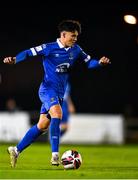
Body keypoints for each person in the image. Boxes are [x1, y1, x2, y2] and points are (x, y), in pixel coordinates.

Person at [3, 19, 111, 168]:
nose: (75, 39)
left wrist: (99, 63)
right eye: (73, 36)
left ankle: (16, 150)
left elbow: (89, 62)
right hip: (47, 89)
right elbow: (29, 52)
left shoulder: (76, 49)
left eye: (76, 36)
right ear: (63, 34)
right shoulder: (49, 48)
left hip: (59, 93)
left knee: (42, 126)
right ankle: (55, 155)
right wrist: (15, 59)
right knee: (57, 114)